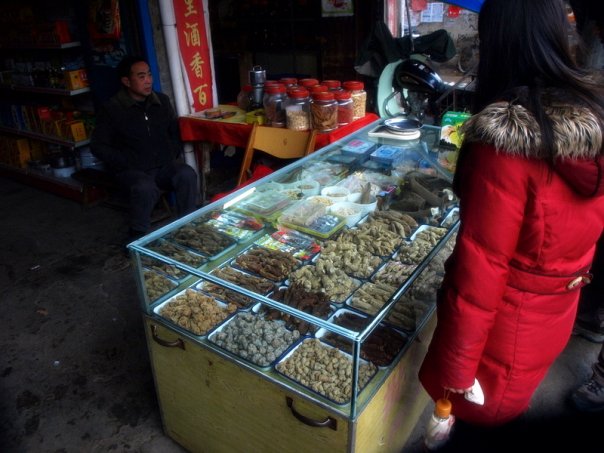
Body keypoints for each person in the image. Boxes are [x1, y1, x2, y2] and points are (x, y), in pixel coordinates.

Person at [418, 0, 604, 429]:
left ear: (497, 42)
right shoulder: (591, 117)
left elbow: (482, 270)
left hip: (502, 334)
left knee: (484, 421)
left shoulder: (504, 141)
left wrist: (456, 371)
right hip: (554, 314)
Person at [91, 55, 198, 245]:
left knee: (186, 174)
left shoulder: (161, 102)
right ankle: (137, 236)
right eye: (141, 76)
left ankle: (187, 226)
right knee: (144, 187)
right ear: (126, 81)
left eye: (149, 74)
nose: (148, 80)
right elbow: (98, 147)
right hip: (132, 170)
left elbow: (174, 132)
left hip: (162, 166)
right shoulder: (113, 109)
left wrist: (170, 153)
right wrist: (125, 161)